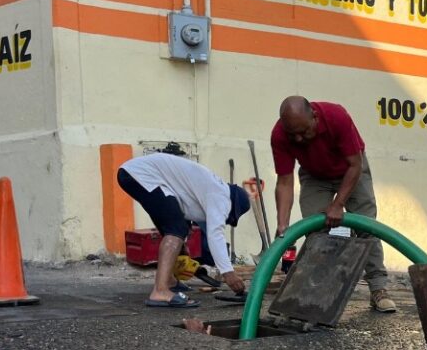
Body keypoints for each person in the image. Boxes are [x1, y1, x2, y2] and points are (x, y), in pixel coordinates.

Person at [270, 96, 397, 313]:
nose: (299, 139)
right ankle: (317, 291)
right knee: (315, 230)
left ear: (315, 118)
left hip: (351, 170)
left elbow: (355, 165)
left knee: (366, 227)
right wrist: (282, 224)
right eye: (294, 135)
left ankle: (378, 288)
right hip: (314, 174)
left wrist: (339, 204)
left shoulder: (337, 117)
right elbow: (284, 181)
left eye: (304, 131)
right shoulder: (280, 135)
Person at [117, 143, 251, 307]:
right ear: (233, 207)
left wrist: (186, 250)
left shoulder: (207, 194)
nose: (225, 220)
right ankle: (160, 291)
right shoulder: (221, 195)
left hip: (135, 173)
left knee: (177, 229)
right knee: (176, 229)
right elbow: (215, 234)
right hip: (141, 174)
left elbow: (204, 231)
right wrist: (228, 272)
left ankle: (170, 281)